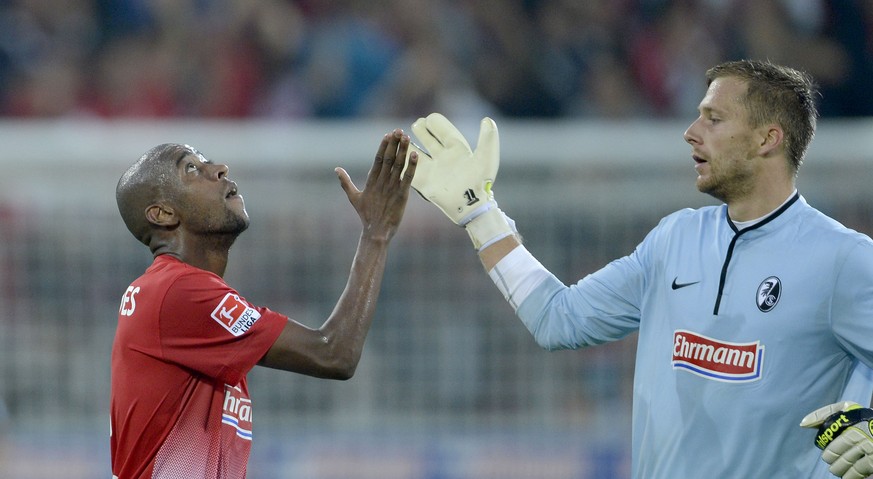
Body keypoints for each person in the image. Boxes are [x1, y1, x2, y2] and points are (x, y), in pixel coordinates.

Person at [405, 59, 873, 478]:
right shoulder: (674, 239)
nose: (691, 131)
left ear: (768, 138)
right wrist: (479, 213)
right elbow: (558, 319)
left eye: (714, 118)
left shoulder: (842, 259)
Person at [110, 130, 418, 478]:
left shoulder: (176, 296)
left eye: (208, 161)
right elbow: (334, 353)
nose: (221, 169)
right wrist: (376, 233)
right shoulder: (178, 292)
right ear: (163, 213)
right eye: (192, 170)